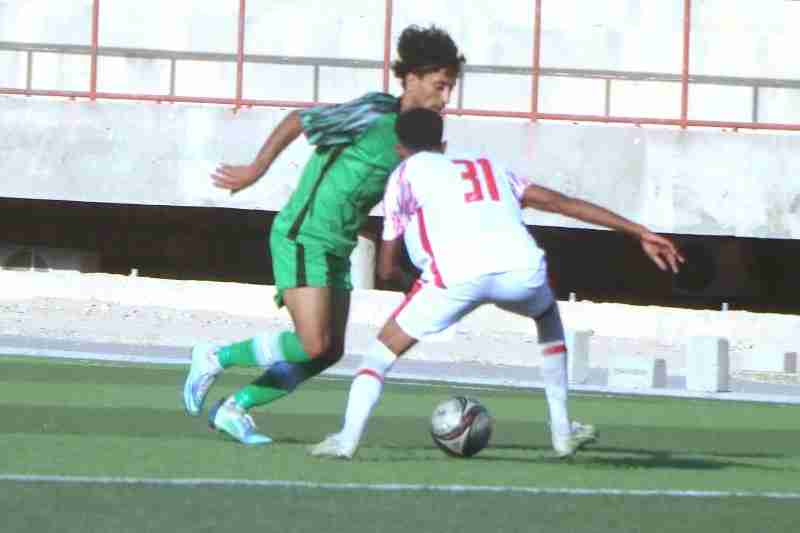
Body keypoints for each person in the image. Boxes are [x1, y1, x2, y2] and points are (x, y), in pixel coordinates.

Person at [309, 108, 684, 459]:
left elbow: (386, 268)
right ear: (443, 144)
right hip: (521, 272)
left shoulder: (404, 174)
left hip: (453, 278)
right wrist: (638, 231)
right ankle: (561, 430)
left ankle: (346, 440)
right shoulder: (488, 166)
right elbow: (560, 202)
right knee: (547, 317)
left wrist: (418, 288)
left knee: (379, 356)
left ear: (398, 149)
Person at [181, 26, 466, 445]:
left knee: (329, 351)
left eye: (450, 88)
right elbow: (300, 120)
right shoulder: (374, 114)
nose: (445, 98)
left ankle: (235, 407)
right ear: (412, 78)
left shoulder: (422, 137)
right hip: (305, 234)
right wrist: (255, 170)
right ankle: (214, 356)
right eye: (440, 86)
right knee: (313, 343)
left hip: (338, 245)